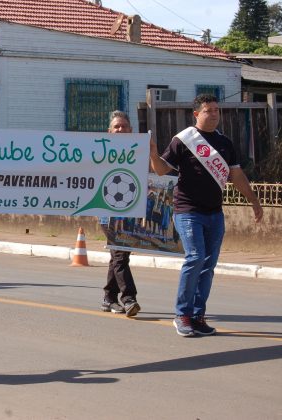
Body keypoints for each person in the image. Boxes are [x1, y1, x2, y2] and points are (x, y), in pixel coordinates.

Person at [150, 94, 263, 337]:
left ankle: (197, 315)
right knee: (195, 257)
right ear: (196, 114)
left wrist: (254, 201)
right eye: (208, 110)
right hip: (188, 211)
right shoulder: (183, 140)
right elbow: (160, 169)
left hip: (214, 213)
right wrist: (152, 152)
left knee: (208, 265)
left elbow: (236, 175)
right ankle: (182, 314)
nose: (213, 114)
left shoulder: (224, 143)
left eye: (216, 110)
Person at [101, 111, 141, 317]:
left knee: (119, 255)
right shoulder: (101, 153)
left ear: (131, 130)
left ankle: (108, 298)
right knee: (119, 253)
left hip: (130, 211)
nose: (120, 129)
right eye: (116, 127)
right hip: (107, 213)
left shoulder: (138, 152)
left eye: (124, 126)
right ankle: (128, 298)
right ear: (109, 131)